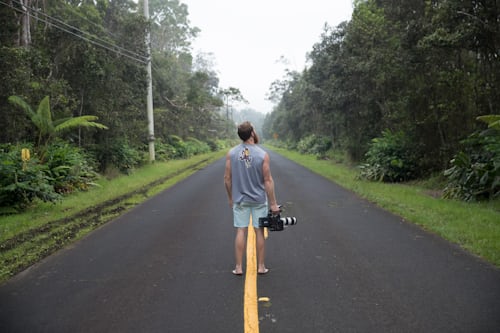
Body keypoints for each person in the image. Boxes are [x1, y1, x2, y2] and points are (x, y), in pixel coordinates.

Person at [224, 121, 280, 276]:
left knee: (241, 230)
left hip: (240, 199)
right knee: (259, 232)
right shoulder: (262, 155)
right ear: (251, 134)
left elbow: (227, 178)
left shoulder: (232, 153)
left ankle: (238, 267)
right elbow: (267, 180)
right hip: (258, 200)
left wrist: (230, 197)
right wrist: (273, 204)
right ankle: (261, 266)